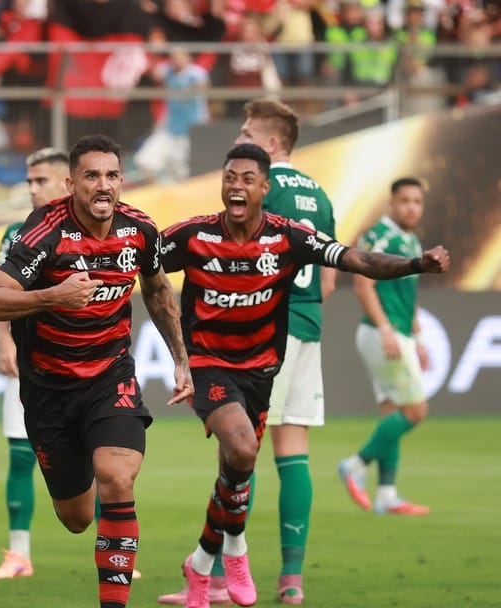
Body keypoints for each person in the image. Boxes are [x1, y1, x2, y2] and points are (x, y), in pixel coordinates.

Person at [158, 143, 448, 608]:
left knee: (235, 471)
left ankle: (199, 565)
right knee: (243, 448)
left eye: (247, 179)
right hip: (209, 364)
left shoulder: (288, 236)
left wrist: (417, 266)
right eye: (229, 177)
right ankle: (236, 550)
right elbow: (139, 260)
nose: (236, 186)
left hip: (261, 370)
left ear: (264, 188)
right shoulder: (193, 235)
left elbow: (357, 260)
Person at [0, 134, 194, 608]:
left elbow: (158, 290)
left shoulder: (140, 229)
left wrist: (181, 357)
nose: (103, 185)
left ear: (122, 181)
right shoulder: (44, 231)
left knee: (116, 477)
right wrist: (53, 296)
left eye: (112, 175)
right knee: (76, 517)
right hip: (48, 389)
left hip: (109, 377)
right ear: (71, 183)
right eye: (92, 176)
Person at [159, 98, 338, 606]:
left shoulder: (261, 189)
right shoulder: (319, 194)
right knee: (293, 453)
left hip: (258, 332)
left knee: (239, 452)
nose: (239, 140)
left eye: (248, 133)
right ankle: (291, 579)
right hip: (308, 325)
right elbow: (327, 279)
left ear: (271, 145)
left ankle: (215, 573)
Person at [0, 147, 71, 580]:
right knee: (22, 456)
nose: (33, 189)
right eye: (30, 181)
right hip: (29, 359)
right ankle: (18, 554)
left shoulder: (91, 229)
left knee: (102, 458)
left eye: (41, 181)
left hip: (81, 361)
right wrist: (4, 341)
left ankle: (114, 549)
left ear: (65, 182)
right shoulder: (16, 233)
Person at [338, 177, 433, 516]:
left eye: (417, 202)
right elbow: (363, 286)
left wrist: (418, 338)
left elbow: (409, 297)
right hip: (382, 334)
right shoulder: (378, 235)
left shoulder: (411, 241)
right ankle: (356, 464)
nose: (411, 207)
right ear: (392, 203)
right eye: (405, 201)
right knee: (416, 410)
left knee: (393, 413)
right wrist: (386, 329)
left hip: (397, 333)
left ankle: (387, 494)